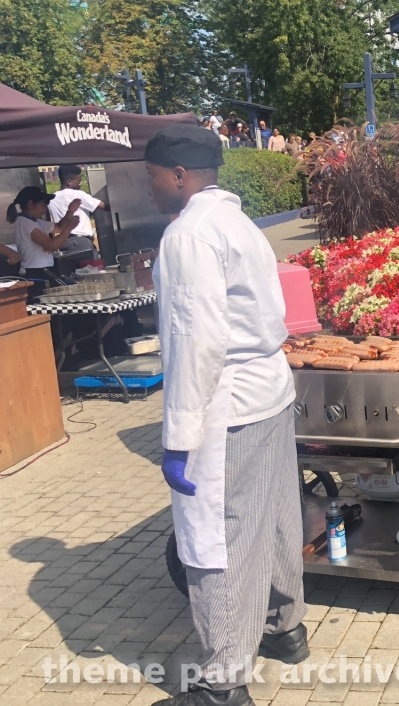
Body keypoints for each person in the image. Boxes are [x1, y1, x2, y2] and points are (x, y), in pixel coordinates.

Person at [144, 125, 308, 706]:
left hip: (225, 401)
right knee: (278, 515)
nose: (151, 187)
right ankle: (285, 630)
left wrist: (178, 436)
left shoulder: (187, 235)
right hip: (268, 388)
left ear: (180, 176)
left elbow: (195, 343)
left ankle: (221, 683)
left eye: (153, 176)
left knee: (217, 537)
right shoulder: (239, 222)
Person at [6, 187, 81, 298]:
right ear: (31, 204)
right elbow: (52, 245)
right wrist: (69, 228)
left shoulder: (36, 222)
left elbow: (59, 227)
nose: (45, 209)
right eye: (43, 204)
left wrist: (70, 211)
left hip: (45, 270)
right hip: (34, 273)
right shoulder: (24, 223)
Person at [48, 164, 106, 257]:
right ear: (69, 182)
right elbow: (102, 205)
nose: (80, 184)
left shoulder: (52, 199)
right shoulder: (77, 194)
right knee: (91, 270)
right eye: (78, 181)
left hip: (64, 242)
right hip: (81, 242)